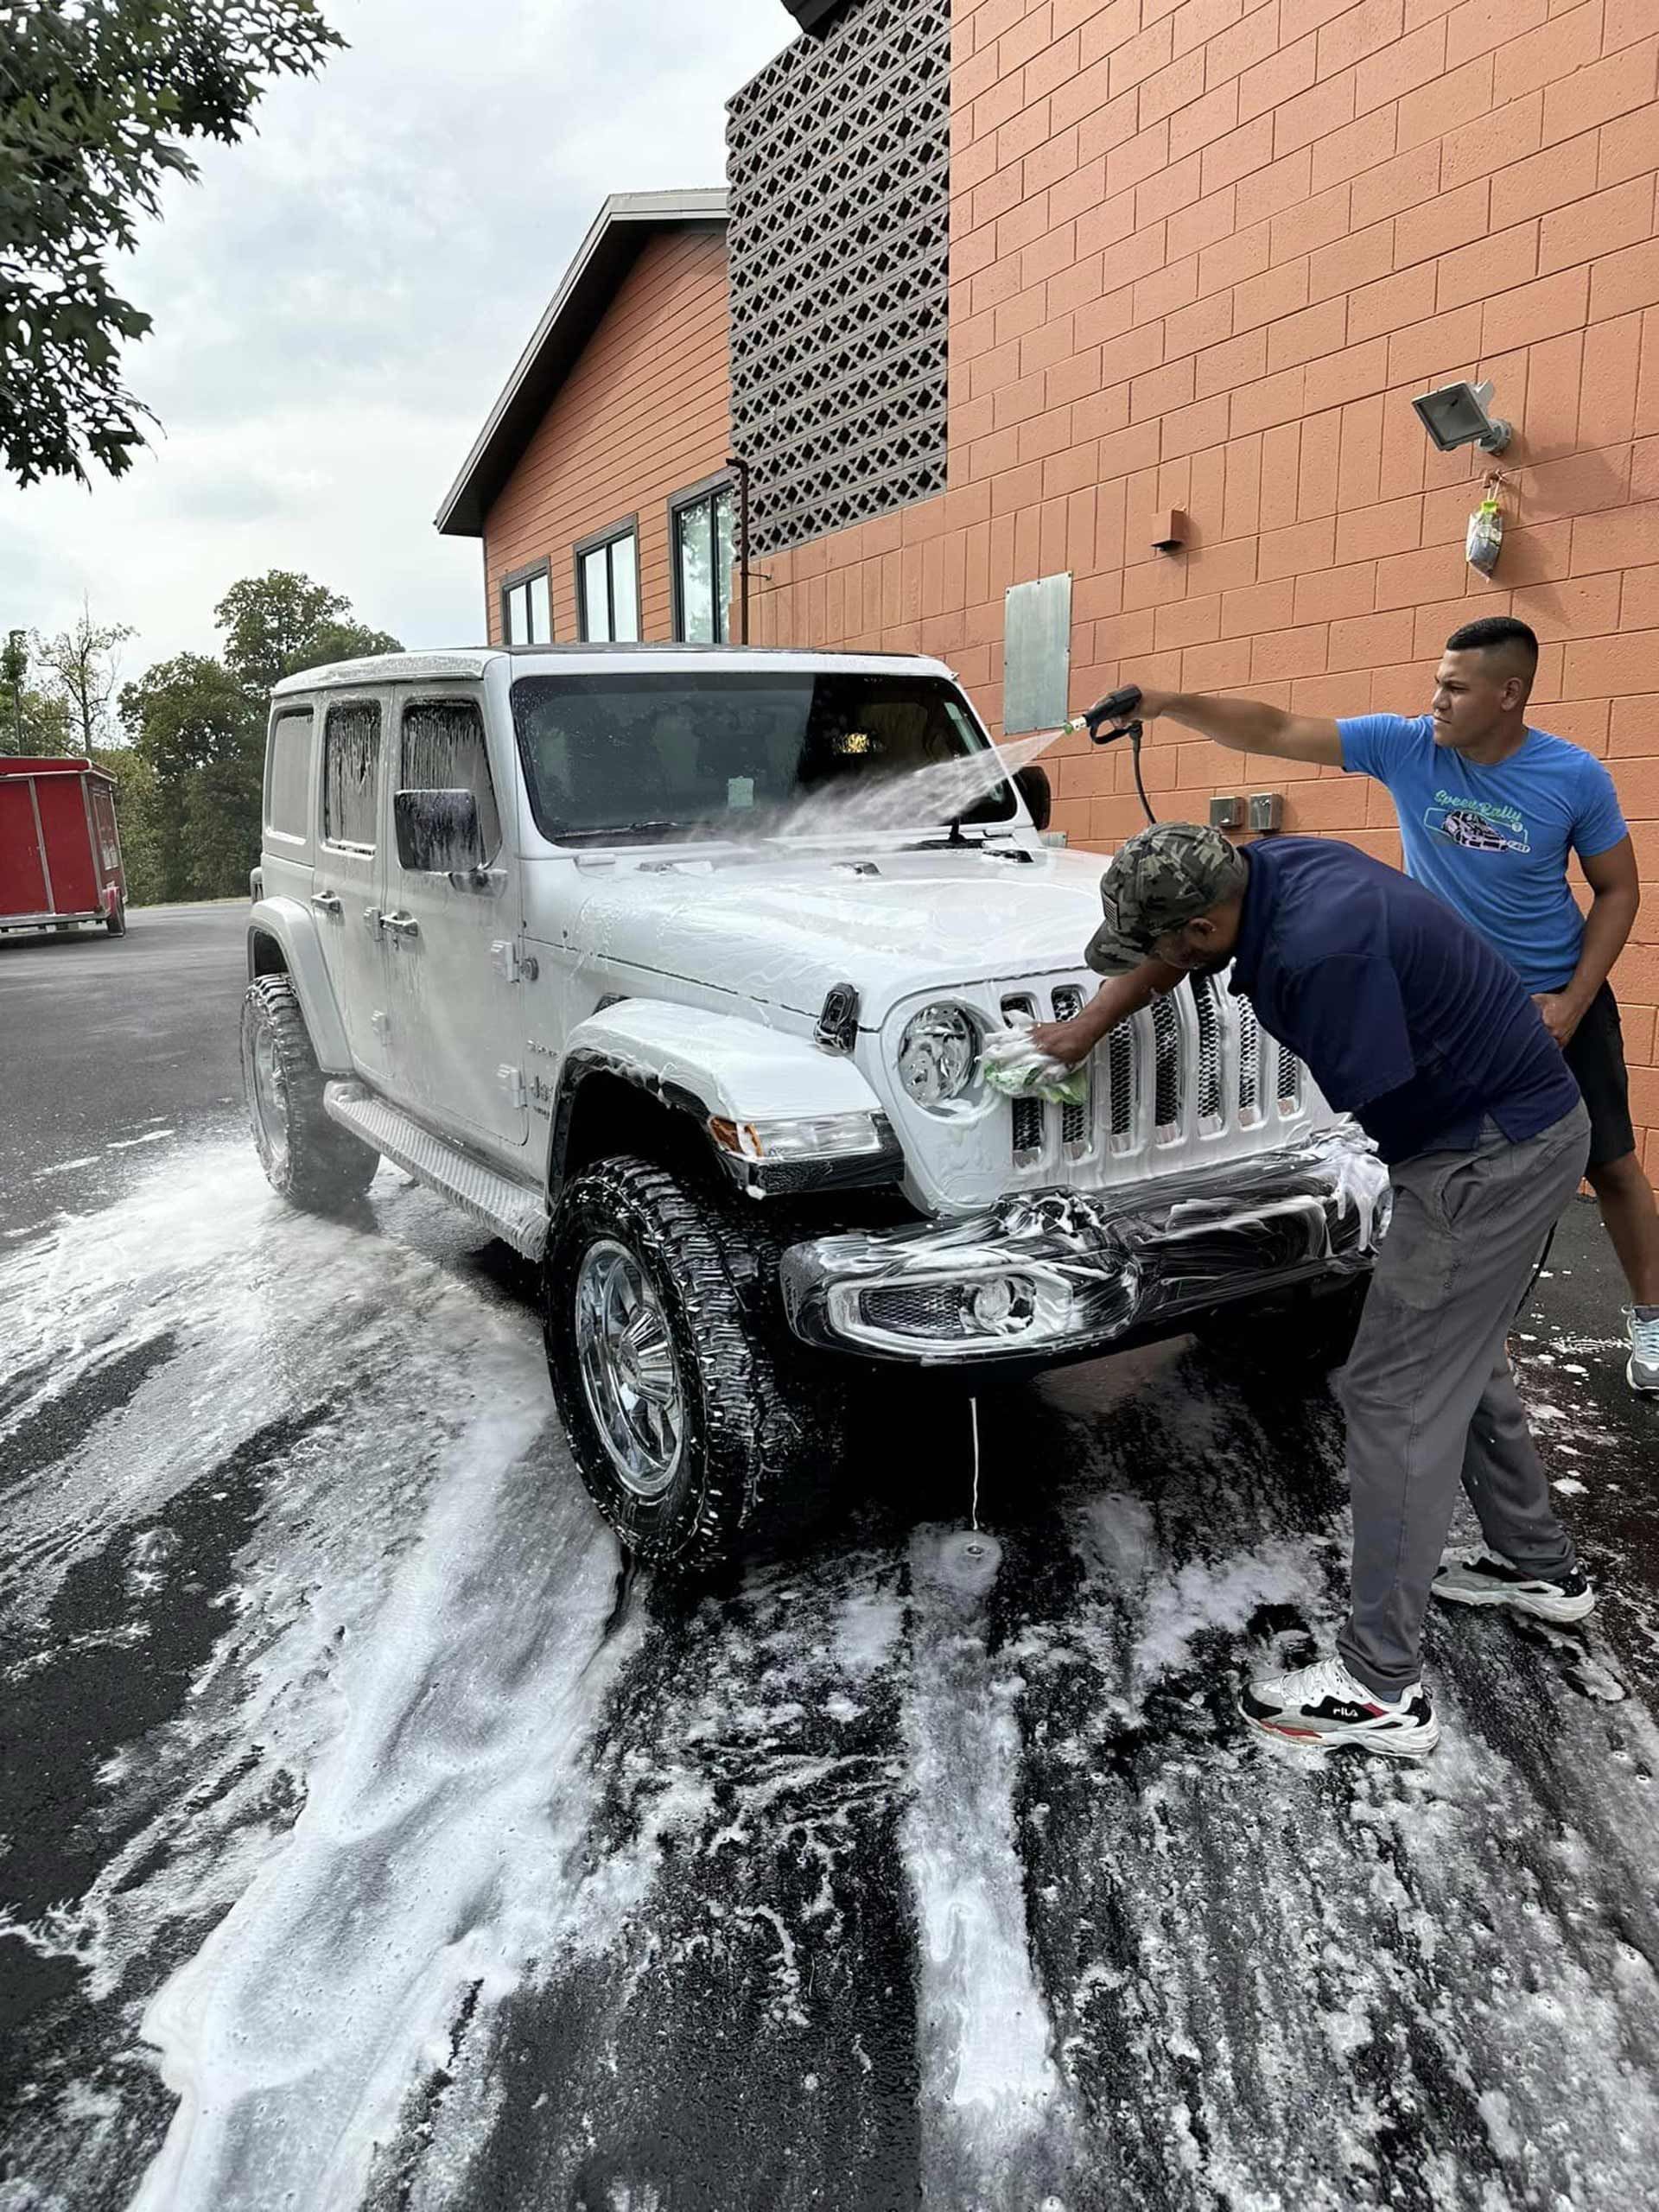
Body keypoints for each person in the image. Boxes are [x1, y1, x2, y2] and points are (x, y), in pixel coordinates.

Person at [1040, 821, 1592, 1758]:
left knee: (1395, 1393)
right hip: (1518, 1130)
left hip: (1480, 1156)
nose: (1158, 964)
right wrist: (1090, 1023)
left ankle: (1381, 1687)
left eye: (1165, 946)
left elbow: (1377, 1112)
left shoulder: (1319, 955)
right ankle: (1535, 1563)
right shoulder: (1272, 867)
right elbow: (1181, 952)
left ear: (1207, 927)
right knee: (1459, 1366)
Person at [1042, 621, 1658, 1393]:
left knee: (1612, 1164)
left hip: (1551, 995)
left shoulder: (1572, 776)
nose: (1435, 699)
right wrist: (1165, 703)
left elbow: (1619, 890)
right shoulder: (1407, 747)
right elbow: (1274, 728)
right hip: (1447, 1007)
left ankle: (1652, 1321)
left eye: (1456, 687)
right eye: (1439, 681)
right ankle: (1470, 1341)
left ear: (1510, 693)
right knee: (1442, 1161)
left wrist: (1571, 1000)